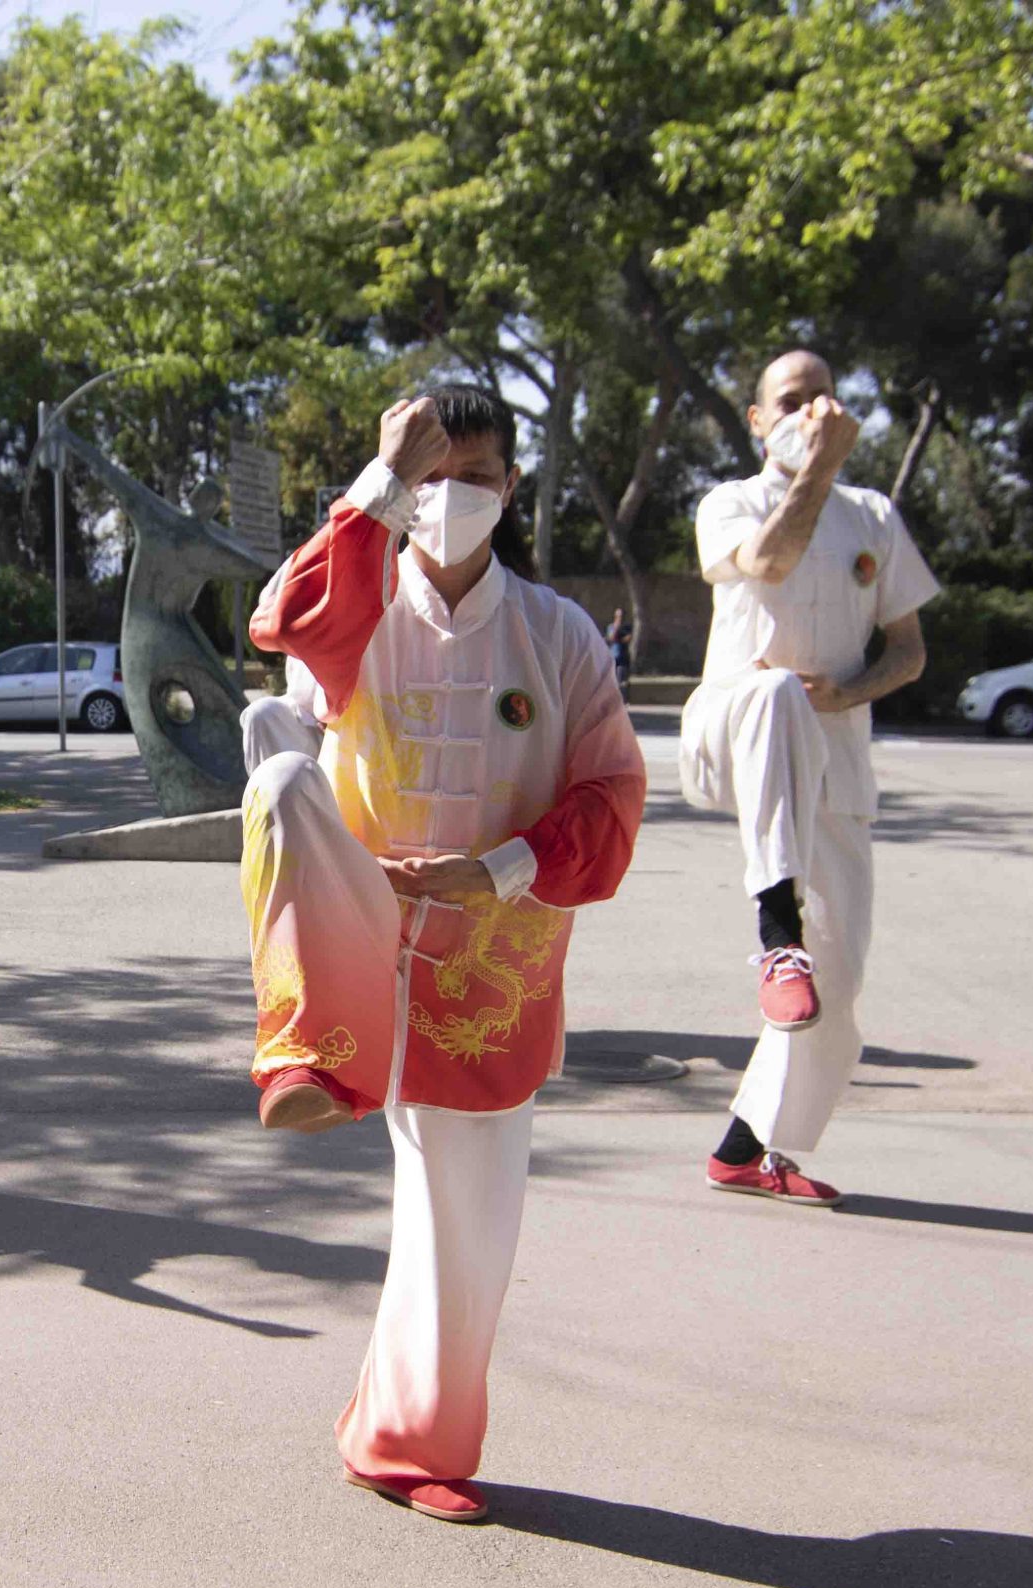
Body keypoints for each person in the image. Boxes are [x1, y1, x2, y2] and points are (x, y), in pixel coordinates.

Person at [240, 387, 645, 1525]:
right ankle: (309, 1049)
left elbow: (611, 796)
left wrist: (501, 870)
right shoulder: (357, 603)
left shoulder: (558, 635)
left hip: (488, 961)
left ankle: (398, 1432)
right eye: (428, 471)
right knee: (273, 758)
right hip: (363, 927)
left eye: (473, 472)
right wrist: (376, 481)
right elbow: (284, 622)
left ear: (511, 487)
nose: (449, 493)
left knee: (465, 1220)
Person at [680, 350, 939, 1207]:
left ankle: (751, 1149)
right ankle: (774, 925)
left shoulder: (873, 517)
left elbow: (907, 651)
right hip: (732, 728)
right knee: (774, 694)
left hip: (833, 765)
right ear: (757, 421)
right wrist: (818, 468)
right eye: (791, 401)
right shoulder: (731, 502)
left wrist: (852, 691)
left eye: (823, 397)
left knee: (835, 990)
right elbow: (769, 562)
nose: (811, 411)